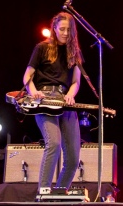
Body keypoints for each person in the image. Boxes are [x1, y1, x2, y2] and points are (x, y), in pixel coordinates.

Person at [22, 11, 84, 193]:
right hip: (44, 100)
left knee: (73, 157)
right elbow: (27, 76)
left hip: (64, 101)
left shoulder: (75, 53)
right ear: (54, 29)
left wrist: (71, 95)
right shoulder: (42, 48)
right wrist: (33, 92)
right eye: (62, 29)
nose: (65, 33)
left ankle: (58, 195)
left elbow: (76, 82)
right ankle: (44, 193)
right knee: (54, 144)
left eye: (69, 30)